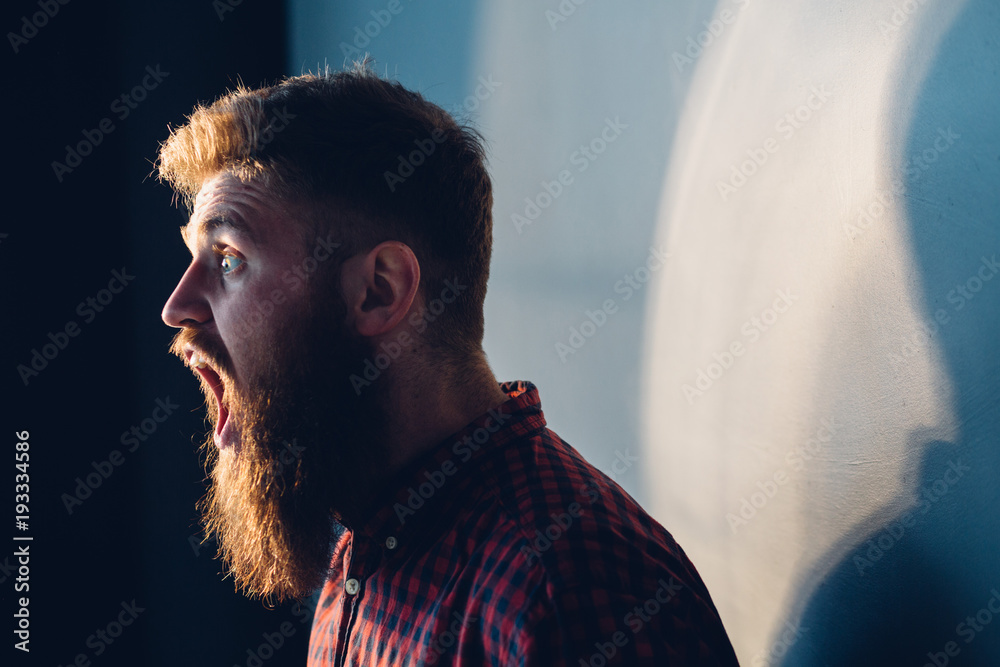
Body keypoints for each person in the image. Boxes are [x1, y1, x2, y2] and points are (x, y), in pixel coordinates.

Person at [158, 60, 739, 666]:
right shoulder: (361, 552)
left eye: (228, 258)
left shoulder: (570, 590)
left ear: (380, 290)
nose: (177, 307)